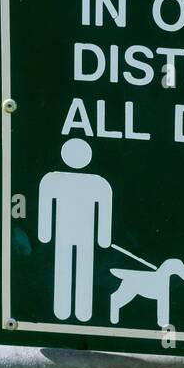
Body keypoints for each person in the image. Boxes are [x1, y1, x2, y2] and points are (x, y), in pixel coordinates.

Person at [37, 138, 113, 322]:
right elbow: (46, 207)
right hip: (64, 233)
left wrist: (104, 237)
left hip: (84, 235)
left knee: (83, 269)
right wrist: (45, 233)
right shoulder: (52, 180)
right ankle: (63, 311)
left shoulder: (99, 183)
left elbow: (105, 211)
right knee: (65, 267)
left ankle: (83, 312)